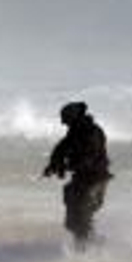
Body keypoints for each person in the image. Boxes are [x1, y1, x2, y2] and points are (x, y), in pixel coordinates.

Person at [42, 100, 112, 250]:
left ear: (74, 118)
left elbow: (89, 158)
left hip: (96, 180)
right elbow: (60, 148)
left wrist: (66, 166)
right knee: (72, 222)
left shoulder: (93, 132)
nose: (64, 124)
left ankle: (90, 248)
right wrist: (53, 165)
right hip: (81, 179)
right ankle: (86, 246)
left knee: (82, 215)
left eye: (66, 121)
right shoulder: (74, 131)